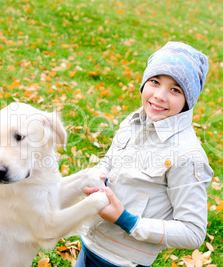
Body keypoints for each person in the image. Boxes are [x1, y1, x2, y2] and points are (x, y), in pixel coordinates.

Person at [75, 41, 214, 267]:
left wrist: (127, 221)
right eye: (155, 81)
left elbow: (193, 232)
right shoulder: (134, 121)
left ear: (188, 100)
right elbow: (109, 162)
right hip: (90, 243)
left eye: (175, 89)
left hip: (123, 260)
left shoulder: (187, 155)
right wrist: (94, 179)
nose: (159, 95)